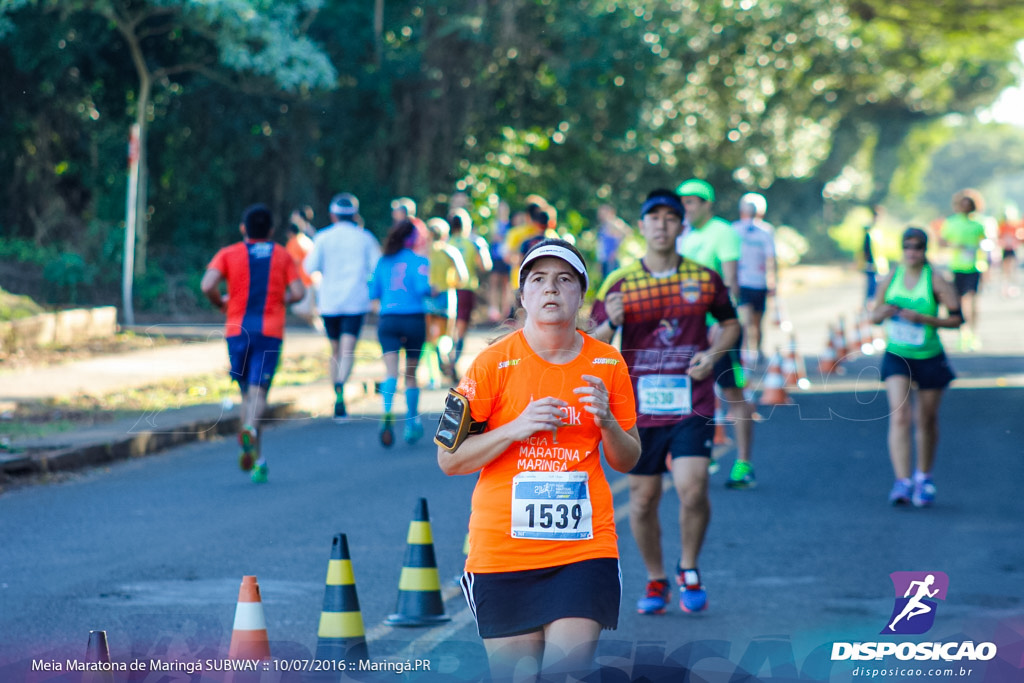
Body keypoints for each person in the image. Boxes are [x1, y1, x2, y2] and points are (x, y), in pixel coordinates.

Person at [439, 239, 640, 681]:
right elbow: (448, 460)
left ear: (580, 294)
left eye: (564, 279)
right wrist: (515, 427)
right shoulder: (489, 365)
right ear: (524, 296)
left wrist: (607, 421)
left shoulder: (607, 363)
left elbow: (628, 458)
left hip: (583, 551)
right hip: (502, 555)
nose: (551, 288)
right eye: (538, 279)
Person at [591, 189, 739, 616]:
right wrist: (611, 321)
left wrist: (711, 356)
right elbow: (592, 344)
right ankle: (657, 578)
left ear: (681, 225)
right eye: (652, 217)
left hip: (691, 401)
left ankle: (688, 567)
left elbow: (730, 323)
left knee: (693, 489)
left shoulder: (703, 278)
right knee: (642, 500)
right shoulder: (619, 283)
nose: (661, 225)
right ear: (641, 226)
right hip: (637, 409)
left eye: (670, 218)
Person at [200, 204, 305, 483]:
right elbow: (299, 291)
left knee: (247, 392)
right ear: (270, 230)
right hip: (269, 331)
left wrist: (220, 303)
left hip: (237, 331)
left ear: (243, 228)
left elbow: (207, 285)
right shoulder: (282, 255)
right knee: (259, 393)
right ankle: (251, 434)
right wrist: (284, 300)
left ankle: (257, 458)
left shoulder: (228, 253)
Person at [870, 227, 962, 508]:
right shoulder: (891, 276)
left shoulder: (935, 279)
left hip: (930, 356)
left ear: (925, 250)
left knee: (926, 420)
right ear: (902, 249)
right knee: (899, 416)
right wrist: (882, 313)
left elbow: (957, 319)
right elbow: (873, 316)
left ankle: (923, 477)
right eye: (907, 246)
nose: (912, 252)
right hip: (897, 354)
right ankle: (902, 481)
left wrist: (923, 319)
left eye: (918, 247)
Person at [675, 178, 757, 489]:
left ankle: (744, 462)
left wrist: (720, 322)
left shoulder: (723, 232)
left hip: (720, 327)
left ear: (707, 204)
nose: (686, 208)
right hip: (689, 325)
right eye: (683, 202)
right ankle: (700, 453)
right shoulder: (684, 236)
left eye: (692, 201)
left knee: (732, 392)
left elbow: (731, 282)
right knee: (694, 390)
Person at [304, 193, 382, 419]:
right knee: (348, 349)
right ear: (355, 215)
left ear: (332, 215)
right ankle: (341, 387)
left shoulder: (323, 237)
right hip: (355, 301)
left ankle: (336, 391)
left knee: (335, 349)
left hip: (329, 302)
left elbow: (310, 267)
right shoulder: (365, 237)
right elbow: (376, 268)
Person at [370, 219, 433, 447]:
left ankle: (387, 412)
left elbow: (372, 292)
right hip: (414, 319)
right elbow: (423, 289)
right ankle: (411, 422)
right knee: (411, 375)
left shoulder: (383, 261)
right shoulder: (420, 261)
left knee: (390, 373)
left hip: (388, 319)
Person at [731, 192, 777, 367]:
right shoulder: (764, 231)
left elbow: (770, 258)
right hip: (750, 282)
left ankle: (753, 352)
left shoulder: (737, 229)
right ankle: (750, 352)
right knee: (751, 321)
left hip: (752, 282)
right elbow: (771, 259)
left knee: (751, 322)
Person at [423, 217, 470, 386]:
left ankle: (433, 376)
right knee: (446, 335)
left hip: (428, 298)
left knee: (430, 338)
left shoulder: (424, 252)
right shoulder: (450, 251)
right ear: (445, 235)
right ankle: (444, 355)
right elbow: (463, 277)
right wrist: (452, 284)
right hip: (446, 298)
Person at [939, 189, 987, 351]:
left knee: (972, 300)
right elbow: (941, 242)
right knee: (958, 301)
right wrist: (956, 246)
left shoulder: (979, 223)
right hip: (957, 267)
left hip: (975, 266)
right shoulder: (951, 222)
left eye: (969, 204)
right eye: (963, 204)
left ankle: (973, 333)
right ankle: (962, 333)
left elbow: (987, 243)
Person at [448, 207, 493, 375]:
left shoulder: (446, 242)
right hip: (466, 288)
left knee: (447, 327)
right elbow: (486, 265)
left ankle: (445, 357)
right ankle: (453, 360)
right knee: (461, 327)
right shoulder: (473, 242)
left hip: (448, 289)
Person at [285, 214, 318, 329]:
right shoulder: (306, 240)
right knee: (309, 309)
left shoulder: (293, 243)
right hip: (313, 278)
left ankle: (319, 327)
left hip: (303, 280)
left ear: (290, 233)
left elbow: (293, 262)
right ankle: (318, 326)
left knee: (301, 309)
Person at [595, 204, 629, 279]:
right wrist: (599, 261)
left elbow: (626, 232)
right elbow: (600, 246)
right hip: (604, 260)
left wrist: (615, 250)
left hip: (612, 260)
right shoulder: (602, 226)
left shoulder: (614, 223)